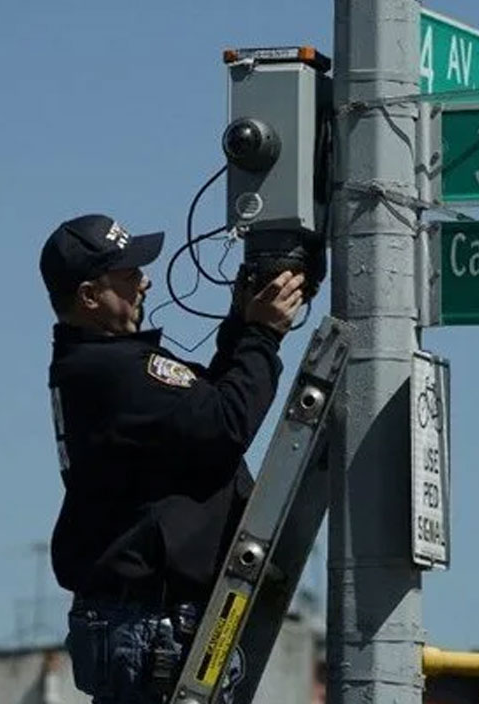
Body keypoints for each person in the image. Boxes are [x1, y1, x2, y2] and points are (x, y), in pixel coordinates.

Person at [38, 213, 306, 704]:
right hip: (149, 630)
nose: (145, 281)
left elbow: (201, 414)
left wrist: (242, 327)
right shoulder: (113, 372)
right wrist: (262, 337)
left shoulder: (103, 369)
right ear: (90, 296)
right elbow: (225, 423)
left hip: (145, 625)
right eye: (128, 274)